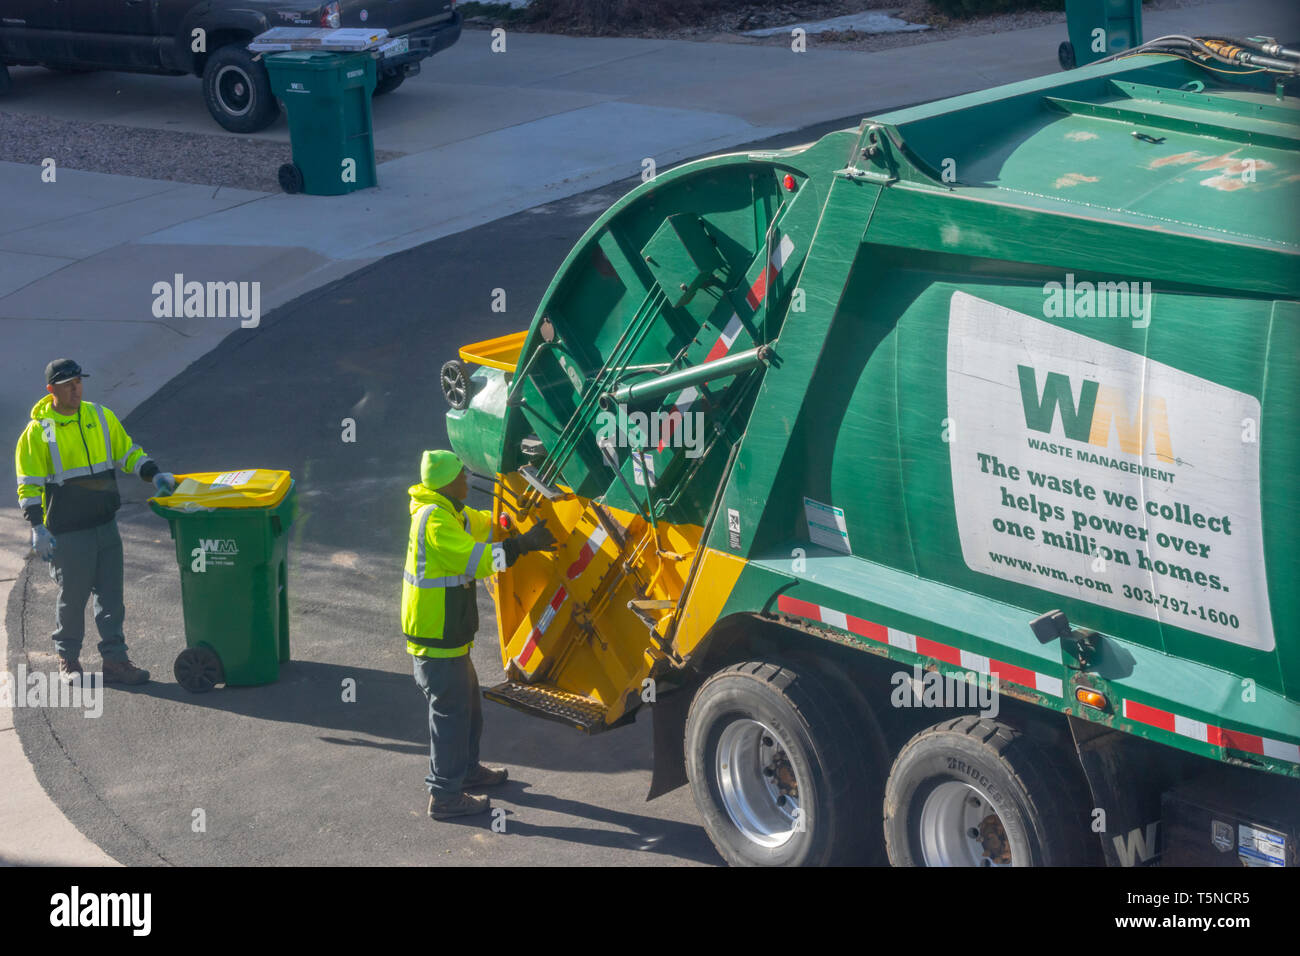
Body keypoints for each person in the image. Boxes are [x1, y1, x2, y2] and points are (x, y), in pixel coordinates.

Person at [403, 449, 555, 820]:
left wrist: (512, 522)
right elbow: (479, 559)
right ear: (446, 483)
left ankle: (466, 772)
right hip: (436, 639)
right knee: (451, 718)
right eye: (461, 476)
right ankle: (444, 796)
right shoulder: (435, 521)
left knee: (468, 710)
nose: (466, 480)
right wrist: (522, 545)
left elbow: (485, 524)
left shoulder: (450, 511)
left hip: (450, 635)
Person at [14, 359, 177, 684]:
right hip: (68, 532)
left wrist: (153, 472)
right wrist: (38, 527)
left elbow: (127, 451)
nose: (76, 389)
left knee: (111, 598)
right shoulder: (38, 432)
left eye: (78, 381)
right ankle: (68, 659)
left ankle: (115, 661)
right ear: (51, 391)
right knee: (72, 599)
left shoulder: (99, 416)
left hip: (105, 524)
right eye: (67, 384)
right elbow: (29, 485)